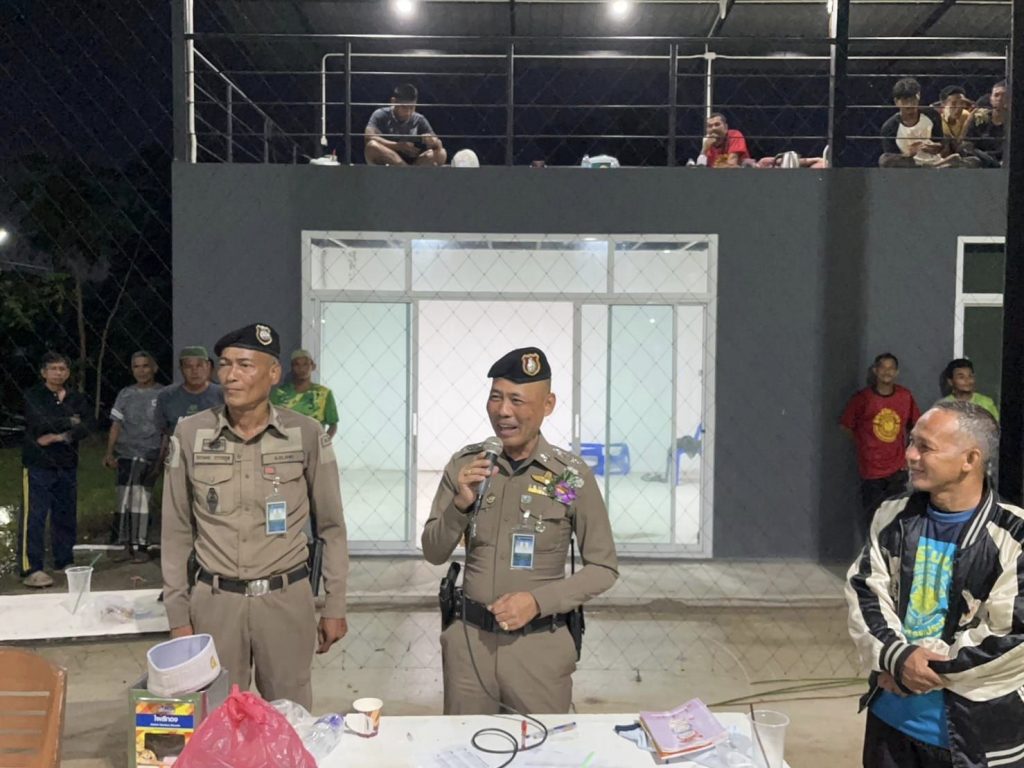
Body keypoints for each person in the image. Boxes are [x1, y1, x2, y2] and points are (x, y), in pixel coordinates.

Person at [161, 323, 349, 709]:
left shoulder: (306, 433)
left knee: (290, 716)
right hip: (215, 603)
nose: (230, 376)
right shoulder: (191, 434)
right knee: (218, 716)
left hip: (285, 601)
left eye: (245, 365)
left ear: (273, 373)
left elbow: (331, 527)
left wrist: (335, 605)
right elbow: (175, 531)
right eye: (225, 364)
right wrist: (178, 614)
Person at [422, 347, 618, 714]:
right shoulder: (468, 466)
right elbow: (433, 552)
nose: (503, 411)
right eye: (495, 397)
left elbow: (603, 568)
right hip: (469, 651)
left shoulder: (568, 477)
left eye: (516, 400)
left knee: (543, 745)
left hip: (538, 652)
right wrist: (459, 505)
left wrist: (538, 602)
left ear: (548, 405)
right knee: (462, 743)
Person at [846, 401, 1024, 767]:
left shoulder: (1015, 535)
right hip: (891, 725)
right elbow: (866, 592)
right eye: (911, 442)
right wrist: (898, 657)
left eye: (925, 447)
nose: (910, 455)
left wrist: (909, 670)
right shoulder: (892, 515)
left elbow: (1012, 637)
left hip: (975, 740)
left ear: (970, 459)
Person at [19, 352, 93, 588]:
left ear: (68, 372)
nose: (58, 373)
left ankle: (64, 559)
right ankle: (32, 567)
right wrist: (70, 421)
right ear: (44, 372)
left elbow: (88, 425)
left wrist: (59, 435)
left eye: (62, 369)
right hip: (38, 465)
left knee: (65, 514)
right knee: (35, 517)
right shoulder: (34, 395)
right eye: (53, 369)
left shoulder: (76, 398)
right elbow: (38, 423)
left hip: (67, 464)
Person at [840, 353, 921, 545]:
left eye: (891, 368)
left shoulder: (905, 396)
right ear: (875, 371)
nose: (887, 372)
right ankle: (873, 554)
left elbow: (917, 426)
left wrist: (908, 454)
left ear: (897, 372)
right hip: (871, 471)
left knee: (896, 516)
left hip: (897, 469)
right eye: (883, 367)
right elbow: (846, 426)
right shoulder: (862, 399)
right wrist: (865, 446)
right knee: (873, 517)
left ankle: (892, 554)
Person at [103, 351, 164, 562]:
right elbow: (116, 424)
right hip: (126, 455)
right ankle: (122, 544)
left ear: (154, 368)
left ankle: (141, 545)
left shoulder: (163, 394)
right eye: (136, 366)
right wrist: (109, 452)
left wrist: (161, 458)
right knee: (123, 499)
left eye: (145, 366)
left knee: (141, 499)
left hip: (149, 454)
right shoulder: (125, 394)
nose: (141, 371)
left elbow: (166, 429)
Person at [155, 346, 222, 454]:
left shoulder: (223, 394)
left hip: (215, 455)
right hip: (179, 455)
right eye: (188, 366)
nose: (194, 371)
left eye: (199, 365)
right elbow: (163, 434)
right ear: (181, 369)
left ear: (208, 366)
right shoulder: (166, 396)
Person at [364, 83, 447, 167]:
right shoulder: (380, 114)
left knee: (441, 153)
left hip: (414, 162)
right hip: (389, 158)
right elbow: (368, 137)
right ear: (393, 101)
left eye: (412, 107)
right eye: (404, 107)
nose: (408, 112)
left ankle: (407, 171)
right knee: (372, 146)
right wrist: (398, 146)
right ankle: (407, 170)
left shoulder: (419, 119)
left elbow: (438, 144)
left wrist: (433, 141)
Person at [878, 78, 951, 168]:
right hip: (908, 167)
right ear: (896, 102)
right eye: (905, 100)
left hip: (933, 162)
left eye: (913, 99)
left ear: (918, 96)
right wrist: (908, 154)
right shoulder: (890, 127)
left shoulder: (932, 115)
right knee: (884, 159)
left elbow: (941, 142)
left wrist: (936, 147)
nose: (910, 104)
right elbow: (889, 160)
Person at [270, 349, 339, 438]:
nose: (301, 369)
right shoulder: (278, 394)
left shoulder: (324, 394)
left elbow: (333, 425)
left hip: (314, 443)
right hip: (286, 443)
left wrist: (323, 443)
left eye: (305, 364)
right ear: (292, 367)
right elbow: (270, 422)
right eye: (297, 364)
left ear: (313, 366)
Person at [964, 80, 1009, 168]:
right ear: (991, 99)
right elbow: (967, 143)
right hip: (980, 162)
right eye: (996, 95)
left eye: (1004, 95)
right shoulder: (980, 118)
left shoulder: (1016, 123)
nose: (1000, 99)